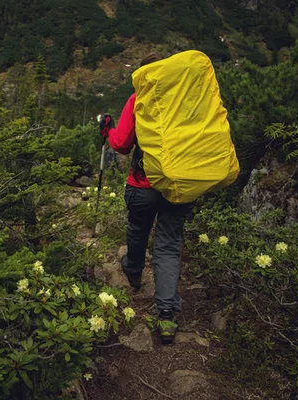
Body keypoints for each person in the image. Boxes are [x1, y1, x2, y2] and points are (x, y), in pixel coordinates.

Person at [99, 54, 194, 344]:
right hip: (178, 185)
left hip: (143, 184)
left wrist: (108, 129)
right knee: (167, 245)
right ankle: (166, 315)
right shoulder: (185, 99)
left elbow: (122, 144)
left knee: (138, 230)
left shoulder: (138, 98)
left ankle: (134, 272)